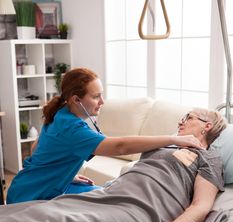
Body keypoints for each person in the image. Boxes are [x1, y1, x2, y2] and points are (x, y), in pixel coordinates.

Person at [6, 68, 203, 204]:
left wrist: (65, 174)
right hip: (31, 196)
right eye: (95, 96)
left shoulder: (61, 111)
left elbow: (35, 150)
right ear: (76, 99)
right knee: (111, 200)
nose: (102, 101)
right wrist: (173, 139)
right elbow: (120, 147)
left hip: (40, 186)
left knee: (107, 193)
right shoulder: (72, 128)